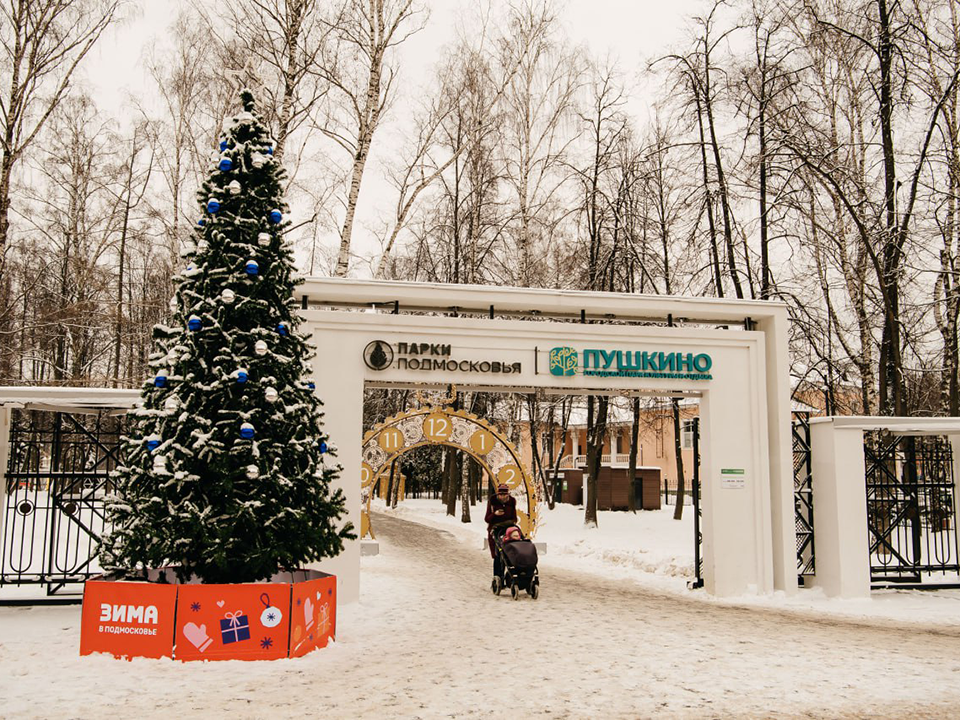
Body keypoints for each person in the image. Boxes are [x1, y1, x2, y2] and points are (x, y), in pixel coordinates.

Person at [485, 483, 517, 579]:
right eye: (501, 494)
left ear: (508, 494)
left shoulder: (511, 502)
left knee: (509, 554)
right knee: (498, 554)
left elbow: (514, 518)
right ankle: (498, 577)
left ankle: (511, 575)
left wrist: (509, 522)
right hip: (495, 530)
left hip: (508, 530)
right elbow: (487, 519)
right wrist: (495, 514)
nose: (502, 496)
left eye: (505, 494)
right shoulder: (492, 502)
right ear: (498, 494)